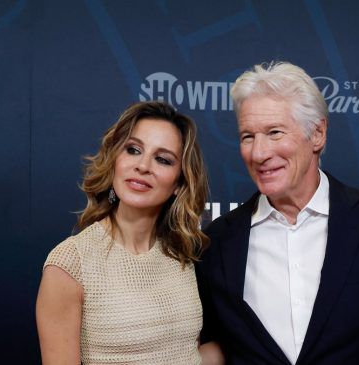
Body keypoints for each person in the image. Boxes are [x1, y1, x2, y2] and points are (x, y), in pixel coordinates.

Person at [196, 61, 359, 364]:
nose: (259, 153)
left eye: (274, 132)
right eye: (247, 137)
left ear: (317, 134)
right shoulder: (219, 242)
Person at [36, 101, 223, 364]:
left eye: (162, 159)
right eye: (133, 150)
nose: (143, 165)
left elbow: (185, 355)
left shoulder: (182, 255)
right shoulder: (70, 263)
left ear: (179, 184)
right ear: (115, 159)